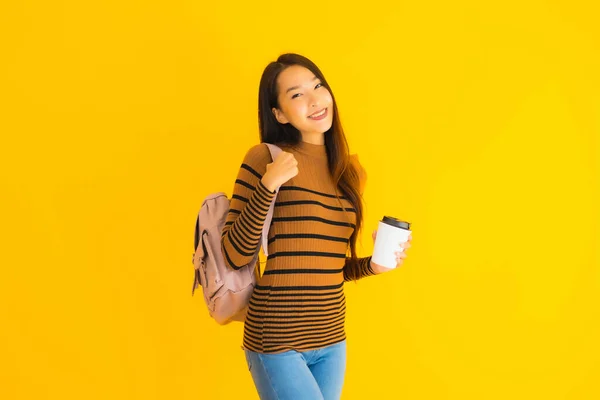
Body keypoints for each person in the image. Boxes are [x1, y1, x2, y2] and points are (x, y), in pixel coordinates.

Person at [220, 53, 412, 400]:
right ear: (279, 113)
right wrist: (268, 186)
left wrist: (373, 265)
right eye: (296, 95)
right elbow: (235, 254)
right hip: (277, 338)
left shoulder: (350, 173)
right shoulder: (265, 158)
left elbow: (331, 265)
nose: (314, 99)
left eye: (317, 86)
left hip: (332, 339)